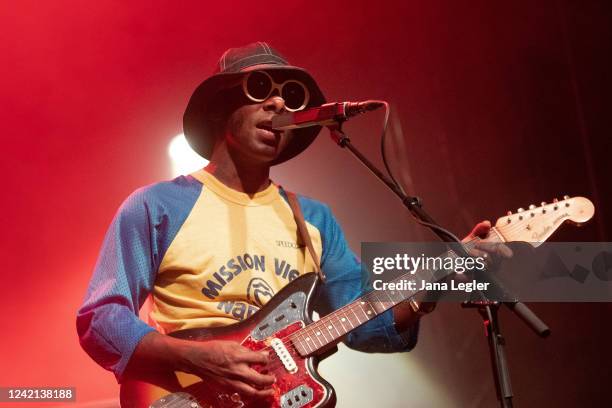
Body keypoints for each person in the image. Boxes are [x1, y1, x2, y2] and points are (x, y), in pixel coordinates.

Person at [76, 42, 498, 401]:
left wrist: (443, 278)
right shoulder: (157, 206)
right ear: (222, 109)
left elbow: (368, 326)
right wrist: (195, 357)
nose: (278, 104)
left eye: (290, 97)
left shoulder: (313, 218)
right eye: (259, 89)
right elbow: (101, 319)